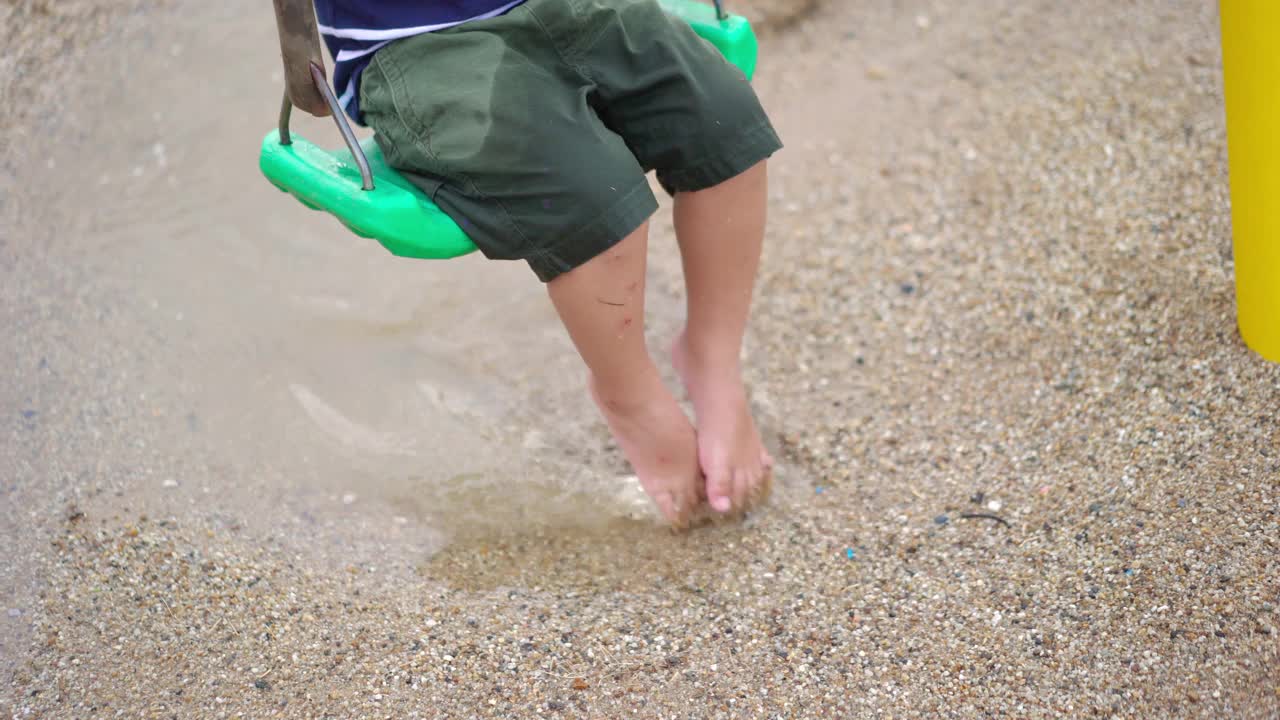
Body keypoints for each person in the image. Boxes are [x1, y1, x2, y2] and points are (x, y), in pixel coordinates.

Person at [314, 0, 781, 527]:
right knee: (593, 198)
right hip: (416, 45)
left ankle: (713, 358)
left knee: (724, 121)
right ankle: (630, 396)